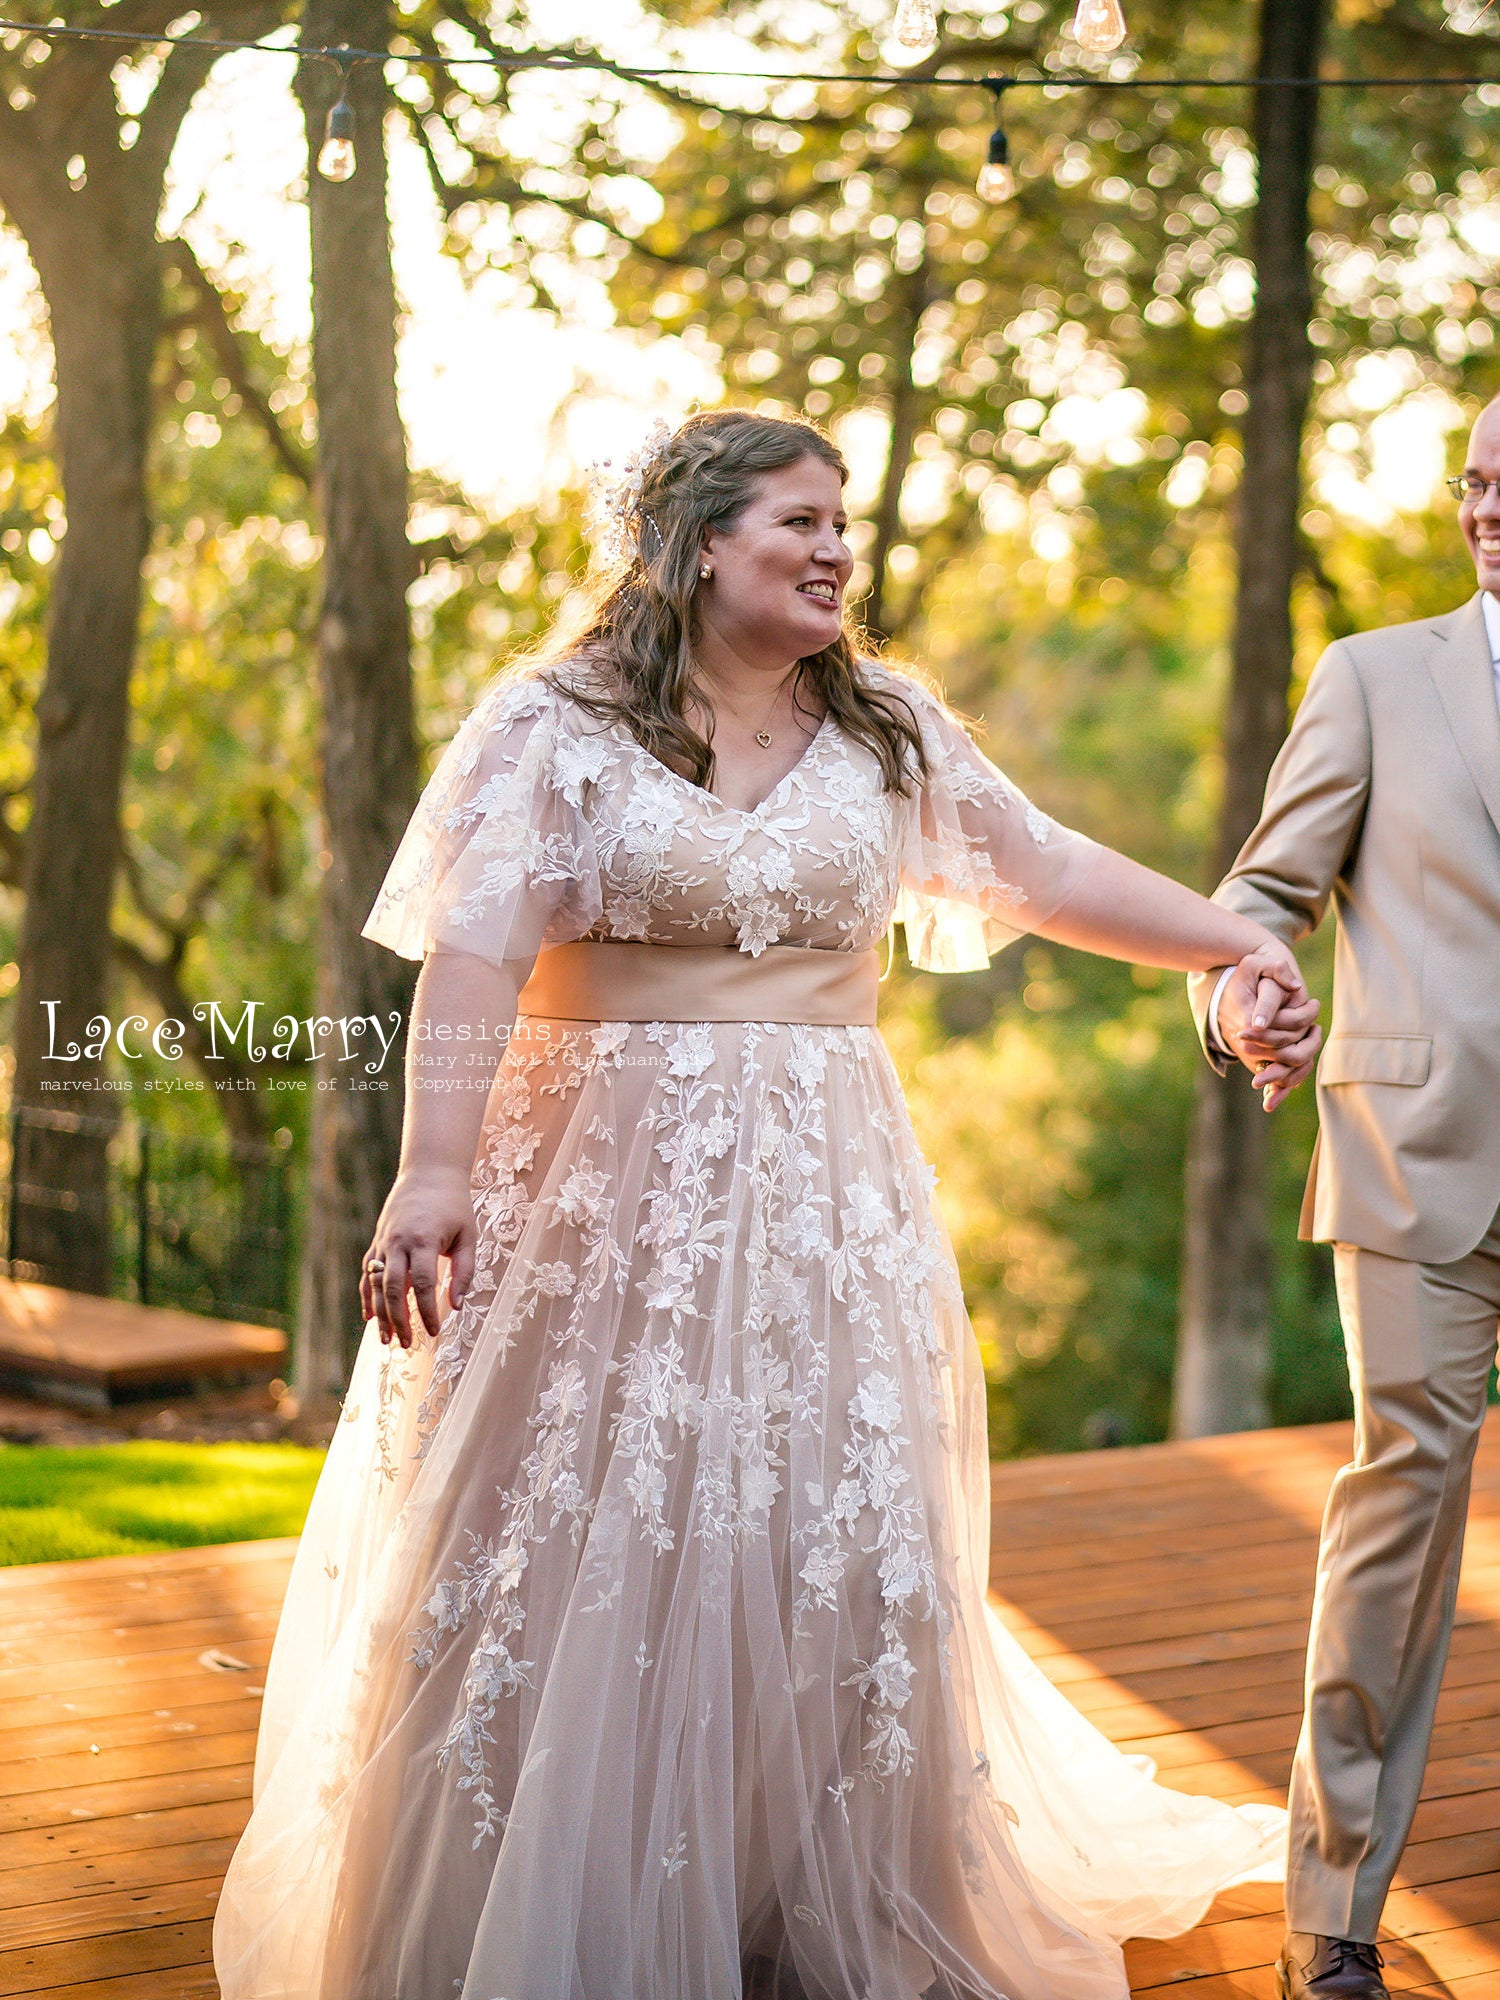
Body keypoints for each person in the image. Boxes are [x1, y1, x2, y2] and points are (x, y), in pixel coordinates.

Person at [214, 410, 1306, 2000]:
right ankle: (535, 1906)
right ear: (698, 540)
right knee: (572, 1530)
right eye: (800, 520)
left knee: (823, 1521)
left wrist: (1233, 941)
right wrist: (431, 1170)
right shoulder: (552, 724)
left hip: (824, 1199)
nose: (835, 549)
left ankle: (804, 1894)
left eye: (841, 523)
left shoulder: (886, 730)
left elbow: (1051, 871)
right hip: (592, 1198)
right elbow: (474, 955)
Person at [1188, 393, 1500, 2000]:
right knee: (1402, 1506)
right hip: (1415, 1151)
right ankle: (1335, 1915)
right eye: (1476, 482)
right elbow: (1260, 895)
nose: (1489, 509)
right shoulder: (1376, 677)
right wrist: (1241, 998)